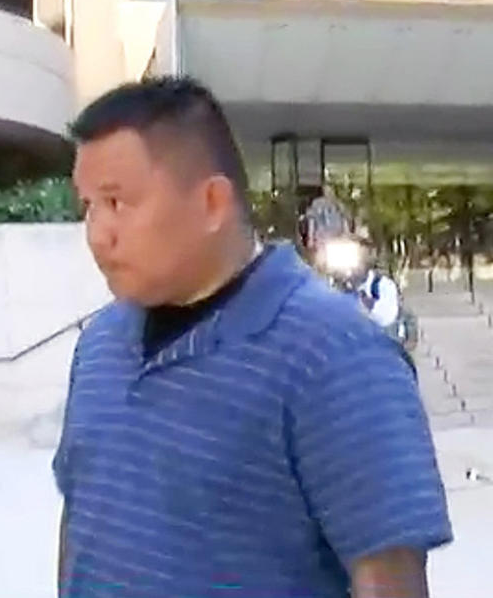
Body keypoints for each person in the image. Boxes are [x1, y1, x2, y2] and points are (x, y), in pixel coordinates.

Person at [53, 77, 451, 597]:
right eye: (87, 206)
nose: (97, 234)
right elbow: (81, 523)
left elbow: (389, 579)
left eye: (117, 202)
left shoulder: (336, 355)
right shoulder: (100, 345)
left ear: (212, 203)